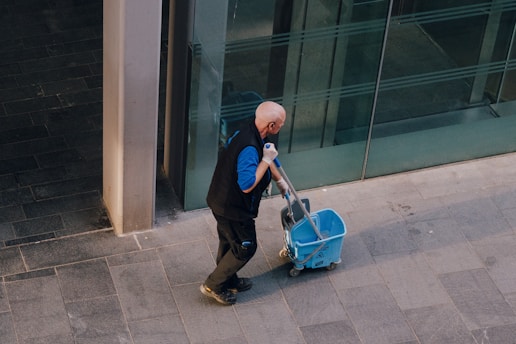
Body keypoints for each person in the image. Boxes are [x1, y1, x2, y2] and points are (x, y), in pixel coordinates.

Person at [200, 101, 289, 305]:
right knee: (244, 247)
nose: (282, 127)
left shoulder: (247, 132)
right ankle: (213, 284)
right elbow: (247, 185)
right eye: (281, 124)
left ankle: (228, 279)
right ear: (271, 125)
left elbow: (267, 154)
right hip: (234, 209)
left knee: (229, 241)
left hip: (220, 200)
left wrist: (279, 179)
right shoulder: (249, 147)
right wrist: (266, 161)